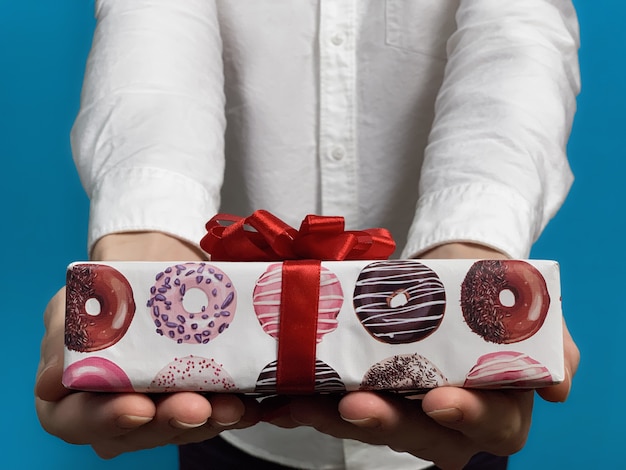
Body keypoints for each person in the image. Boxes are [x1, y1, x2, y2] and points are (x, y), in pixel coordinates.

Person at [35, 1, 581, 469]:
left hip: (457, 389)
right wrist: (147, 236)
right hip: (222, 402)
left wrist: (472, 245)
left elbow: (517, 34)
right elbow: (155, 23)